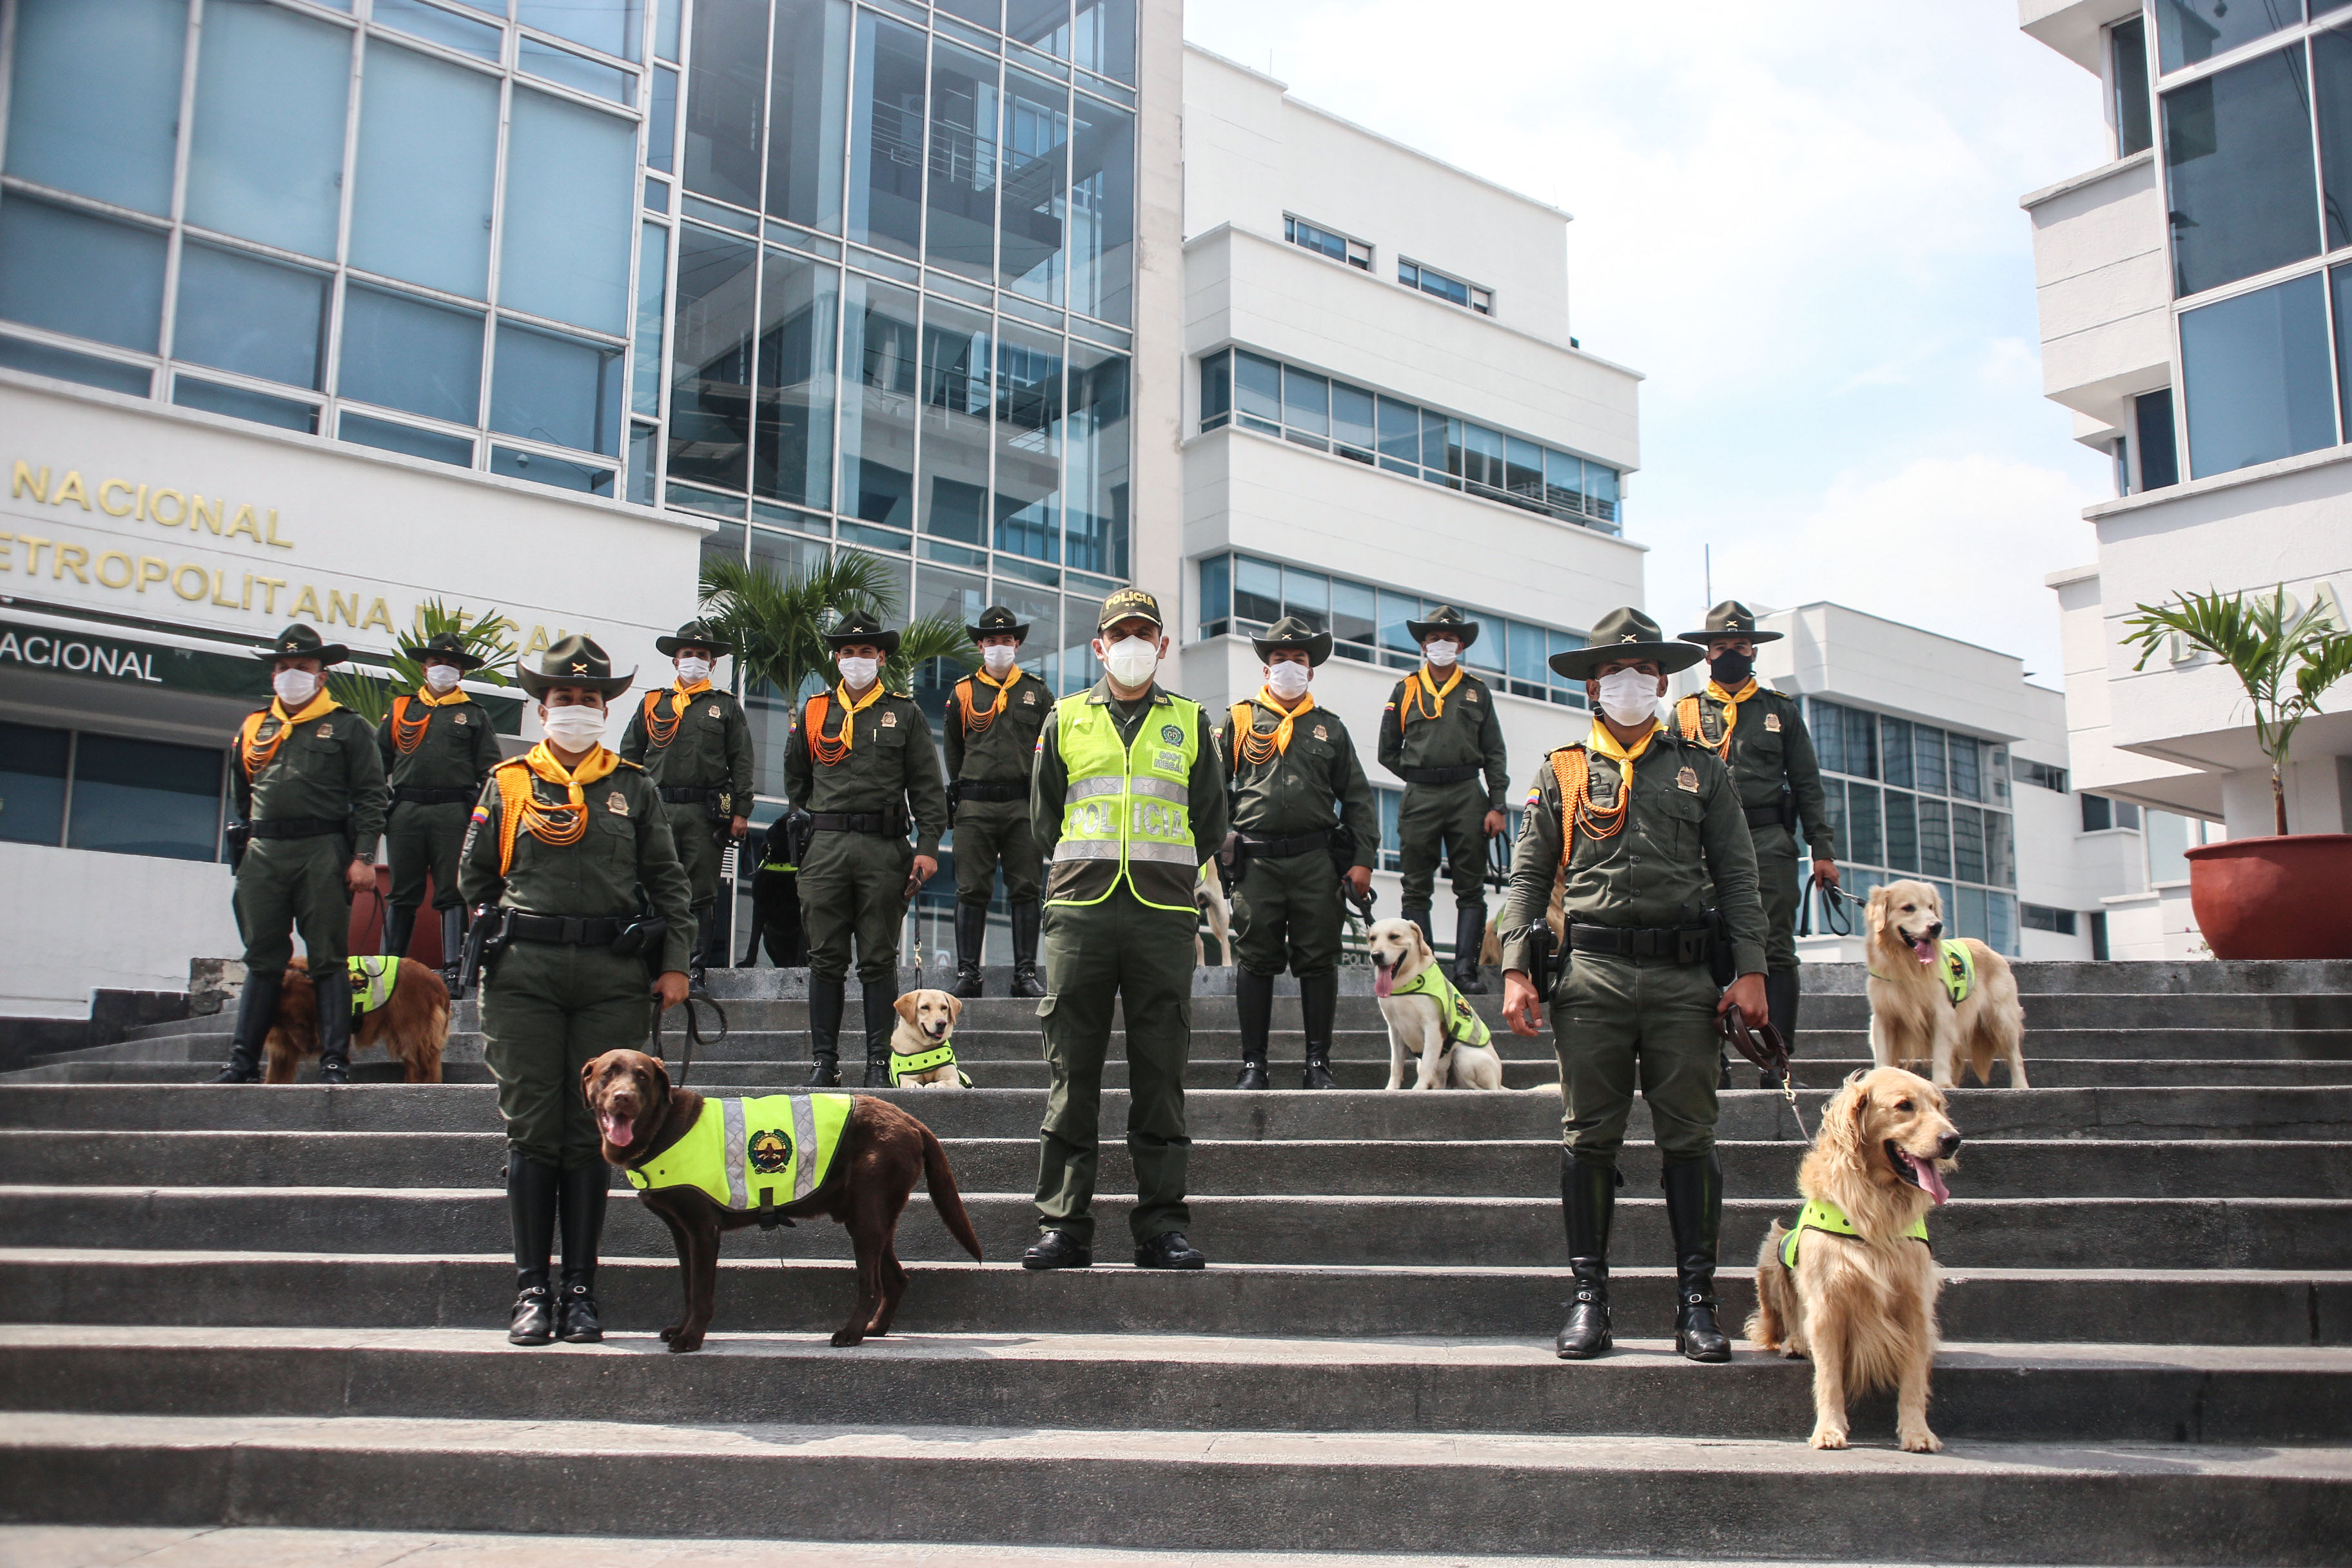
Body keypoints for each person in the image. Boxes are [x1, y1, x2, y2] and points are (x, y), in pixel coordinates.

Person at [1497, 607, 1770, 1365]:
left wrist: (1751, 970)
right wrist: (1518, 965)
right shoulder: (1562, 770)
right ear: (1591, 686)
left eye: (1644, 670)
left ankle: (1697, 1303)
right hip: (1593, 975)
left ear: (1663, 679)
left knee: (1690, 1137)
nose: (1629, 682)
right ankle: (1590, 1297)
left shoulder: (1701, 766)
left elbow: (1739, 874)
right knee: (1588, 1137)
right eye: (1613, 671)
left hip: (1685, 977)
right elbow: (1527, 874)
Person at [458, 636, 694, 1347]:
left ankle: (583, 1292)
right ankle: (533, 1290)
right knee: (534, 1128)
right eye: (566, 698)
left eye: (590, 699)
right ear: (541, 706)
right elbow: (474, 879)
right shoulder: (505, 782)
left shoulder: (633, 785)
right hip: (523, 974)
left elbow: (670, 882)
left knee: (595, 1134)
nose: (578, 709)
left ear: (605, 706)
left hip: (609, 977)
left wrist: (676, 963)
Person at [1024, 587, 1228, 1271]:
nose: (1134, 645)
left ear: (1163, 646)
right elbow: (1043, 819)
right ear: (1100, 647)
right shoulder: (1064, 717)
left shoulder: (1194, 721)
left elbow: (1211, 821)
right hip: (1080, 912)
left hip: (1162, 915)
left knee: (1161, 1073)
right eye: (1122, 634)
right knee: (1069, 1073)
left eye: (1146, 634)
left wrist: (1168, 879)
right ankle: (1064, 1225)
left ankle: (1161, 1226)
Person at [211, 625, 389, 1086]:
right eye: (284, 667)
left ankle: (334, 1061)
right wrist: (248, 848)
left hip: (322, 851)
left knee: (328, 958)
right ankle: (241, 1062)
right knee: (263, 958)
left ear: (321, 675)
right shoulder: (254, 727)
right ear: (274, 673)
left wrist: (364, 856)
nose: (292, 675)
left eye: (303, 668)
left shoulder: (349, 726)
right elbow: (241, 796)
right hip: (265, 852)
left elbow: (371, 795)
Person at [782, 613, 950, 1088]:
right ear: (838, 657)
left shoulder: (906, 712)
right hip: (827, 848)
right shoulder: (815, 710)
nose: (857, 659)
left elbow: (927, 787)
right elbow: (796, 777)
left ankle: (879, 1063)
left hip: (884, 848)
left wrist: (929, 847)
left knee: (878, 958)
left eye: (867, 652)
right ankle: (824, 1062)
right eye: (849, 652)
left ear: (882, 657)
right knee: (825, 958)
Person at [1673, 601, 1838, 1081]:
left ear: (1753, 653)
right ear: (1707, 655)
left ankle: (1775, 1059)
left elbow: (1808, 784)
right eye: (1721, 648)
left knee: (1775, 949)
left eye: (1739, 647)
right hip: (1702, 847)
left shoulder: (1779, 711)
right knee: (1703, 946)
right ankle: (1713, 1060)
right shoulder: (1684, 714)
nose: (1730, 655)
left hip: (1768, 841)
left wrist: (1821, 850)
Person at [1219, 614, 1378, 1090]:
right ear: (1266, 668)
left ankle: (1317, 1064)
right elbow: (1213, 790)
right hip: (1257, 862)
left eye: (1299, 659)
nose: (1289, 665)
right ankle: (1254, 1065)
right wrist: (1220, 842)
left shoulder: (1330, 728)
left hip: (1315, 862)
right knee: (1255, 960)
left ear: (1312, 671)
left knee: (1318, 960)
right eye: (1280, 658)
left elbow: (1357, 797)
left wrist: (1363, 859)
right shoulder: (1239, 719)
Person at [1378, 606, 1510, 994]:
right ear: (1423, 645)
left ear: (1461, 645)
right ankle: (1425, 971)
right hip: (1421, 795)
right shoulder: (1404, 690)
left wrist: (1497, 805)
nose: (1442, 645)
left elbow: (1495, 752)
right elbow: (1387, 750)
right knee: (1415, 885)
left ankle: (1466, 971)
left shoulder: (1477, 691)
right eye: (1434, 638)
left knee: (1470, 886)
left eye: (1449, 639)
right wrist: (1420, 775)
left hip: (1467, 794)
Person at [620, 619, 754, 988]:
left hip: (702, 813)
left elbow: (741, 760)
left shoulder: (724, 707)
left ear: (712, 665)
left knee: (700, 891)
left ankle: (694, 967)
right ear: (675, 660)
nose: (694, 660)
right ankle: (651, 965)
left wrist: (741, 811)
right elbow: (629, 757)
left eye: (702, 655)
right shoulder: (653, 703)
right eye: (687, 654)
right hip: (656, 808)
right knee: (650, 886)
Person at [942, 605, 1052, 999]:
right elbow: (954, 750)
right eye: (992, 641)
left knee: (1025, 889)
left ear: (1017, 645)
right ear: (980, 645)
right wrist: (964, 787)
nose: (999, 647)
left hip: (1023, 807)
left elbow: (1049, 751)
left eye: (1006, 641)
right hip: (975, 807)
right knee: (971, 889)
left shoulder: (1037, 692)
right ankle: (968, 974)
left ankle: (1025, 974)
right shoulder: (963, 692)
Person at [378, 631, 502, 978]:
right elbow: (378, 762)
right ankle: (388, 967)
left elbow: (489, 773)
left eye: (451, 664)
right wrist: (379, 803)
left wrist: (481, 818)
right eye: (437, 662)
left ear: (461, 673)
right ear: (424, 668)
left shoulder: (474, 714)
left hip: (452, 812)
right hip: (406, 810)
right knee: (402, 891)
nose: (443, 669)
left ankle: (453, 967)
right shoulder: (403, 709)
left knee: (452, 890)